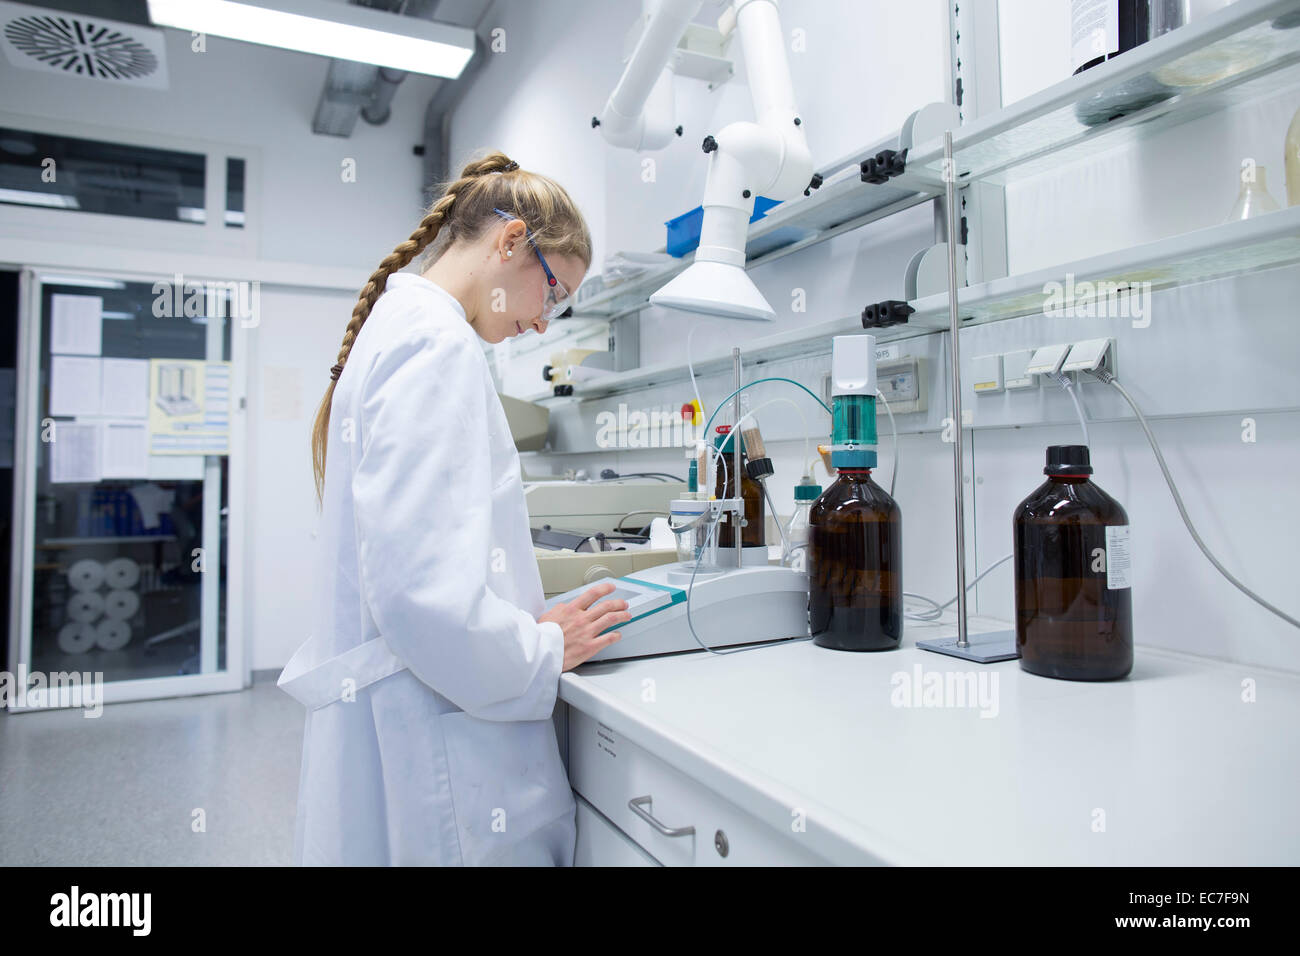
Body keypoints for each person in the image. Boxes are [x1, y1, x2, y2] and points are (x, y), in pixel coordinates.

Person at [277, 151, 631, 866]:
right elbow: (420, 595)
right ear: (509, 243)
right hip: (434, 730)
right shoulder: (437, 344)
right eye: (553, 293)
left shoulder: (405, 324)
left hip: (413, 711)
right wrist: (543, 648)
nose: (542, 323)